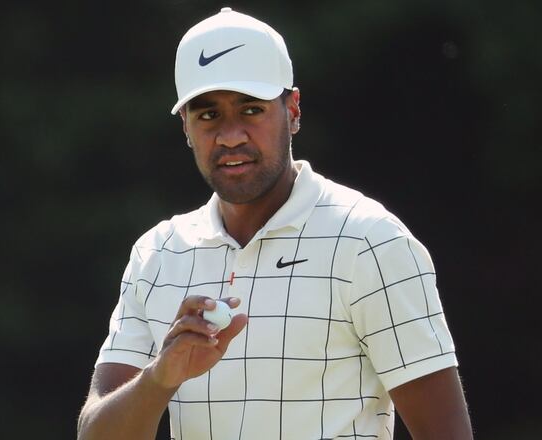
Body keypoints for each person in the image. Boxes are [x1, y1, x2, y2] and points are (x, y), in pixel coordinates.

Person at [77, 7, 472, 440]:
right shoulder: (156, 255)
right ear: (185, 126)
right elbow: (95, 434)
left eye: (251, 110)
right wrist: (158, 379)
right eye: (208, 115)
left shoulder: (368, 241)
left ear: (293, 110)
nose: (230, 136)